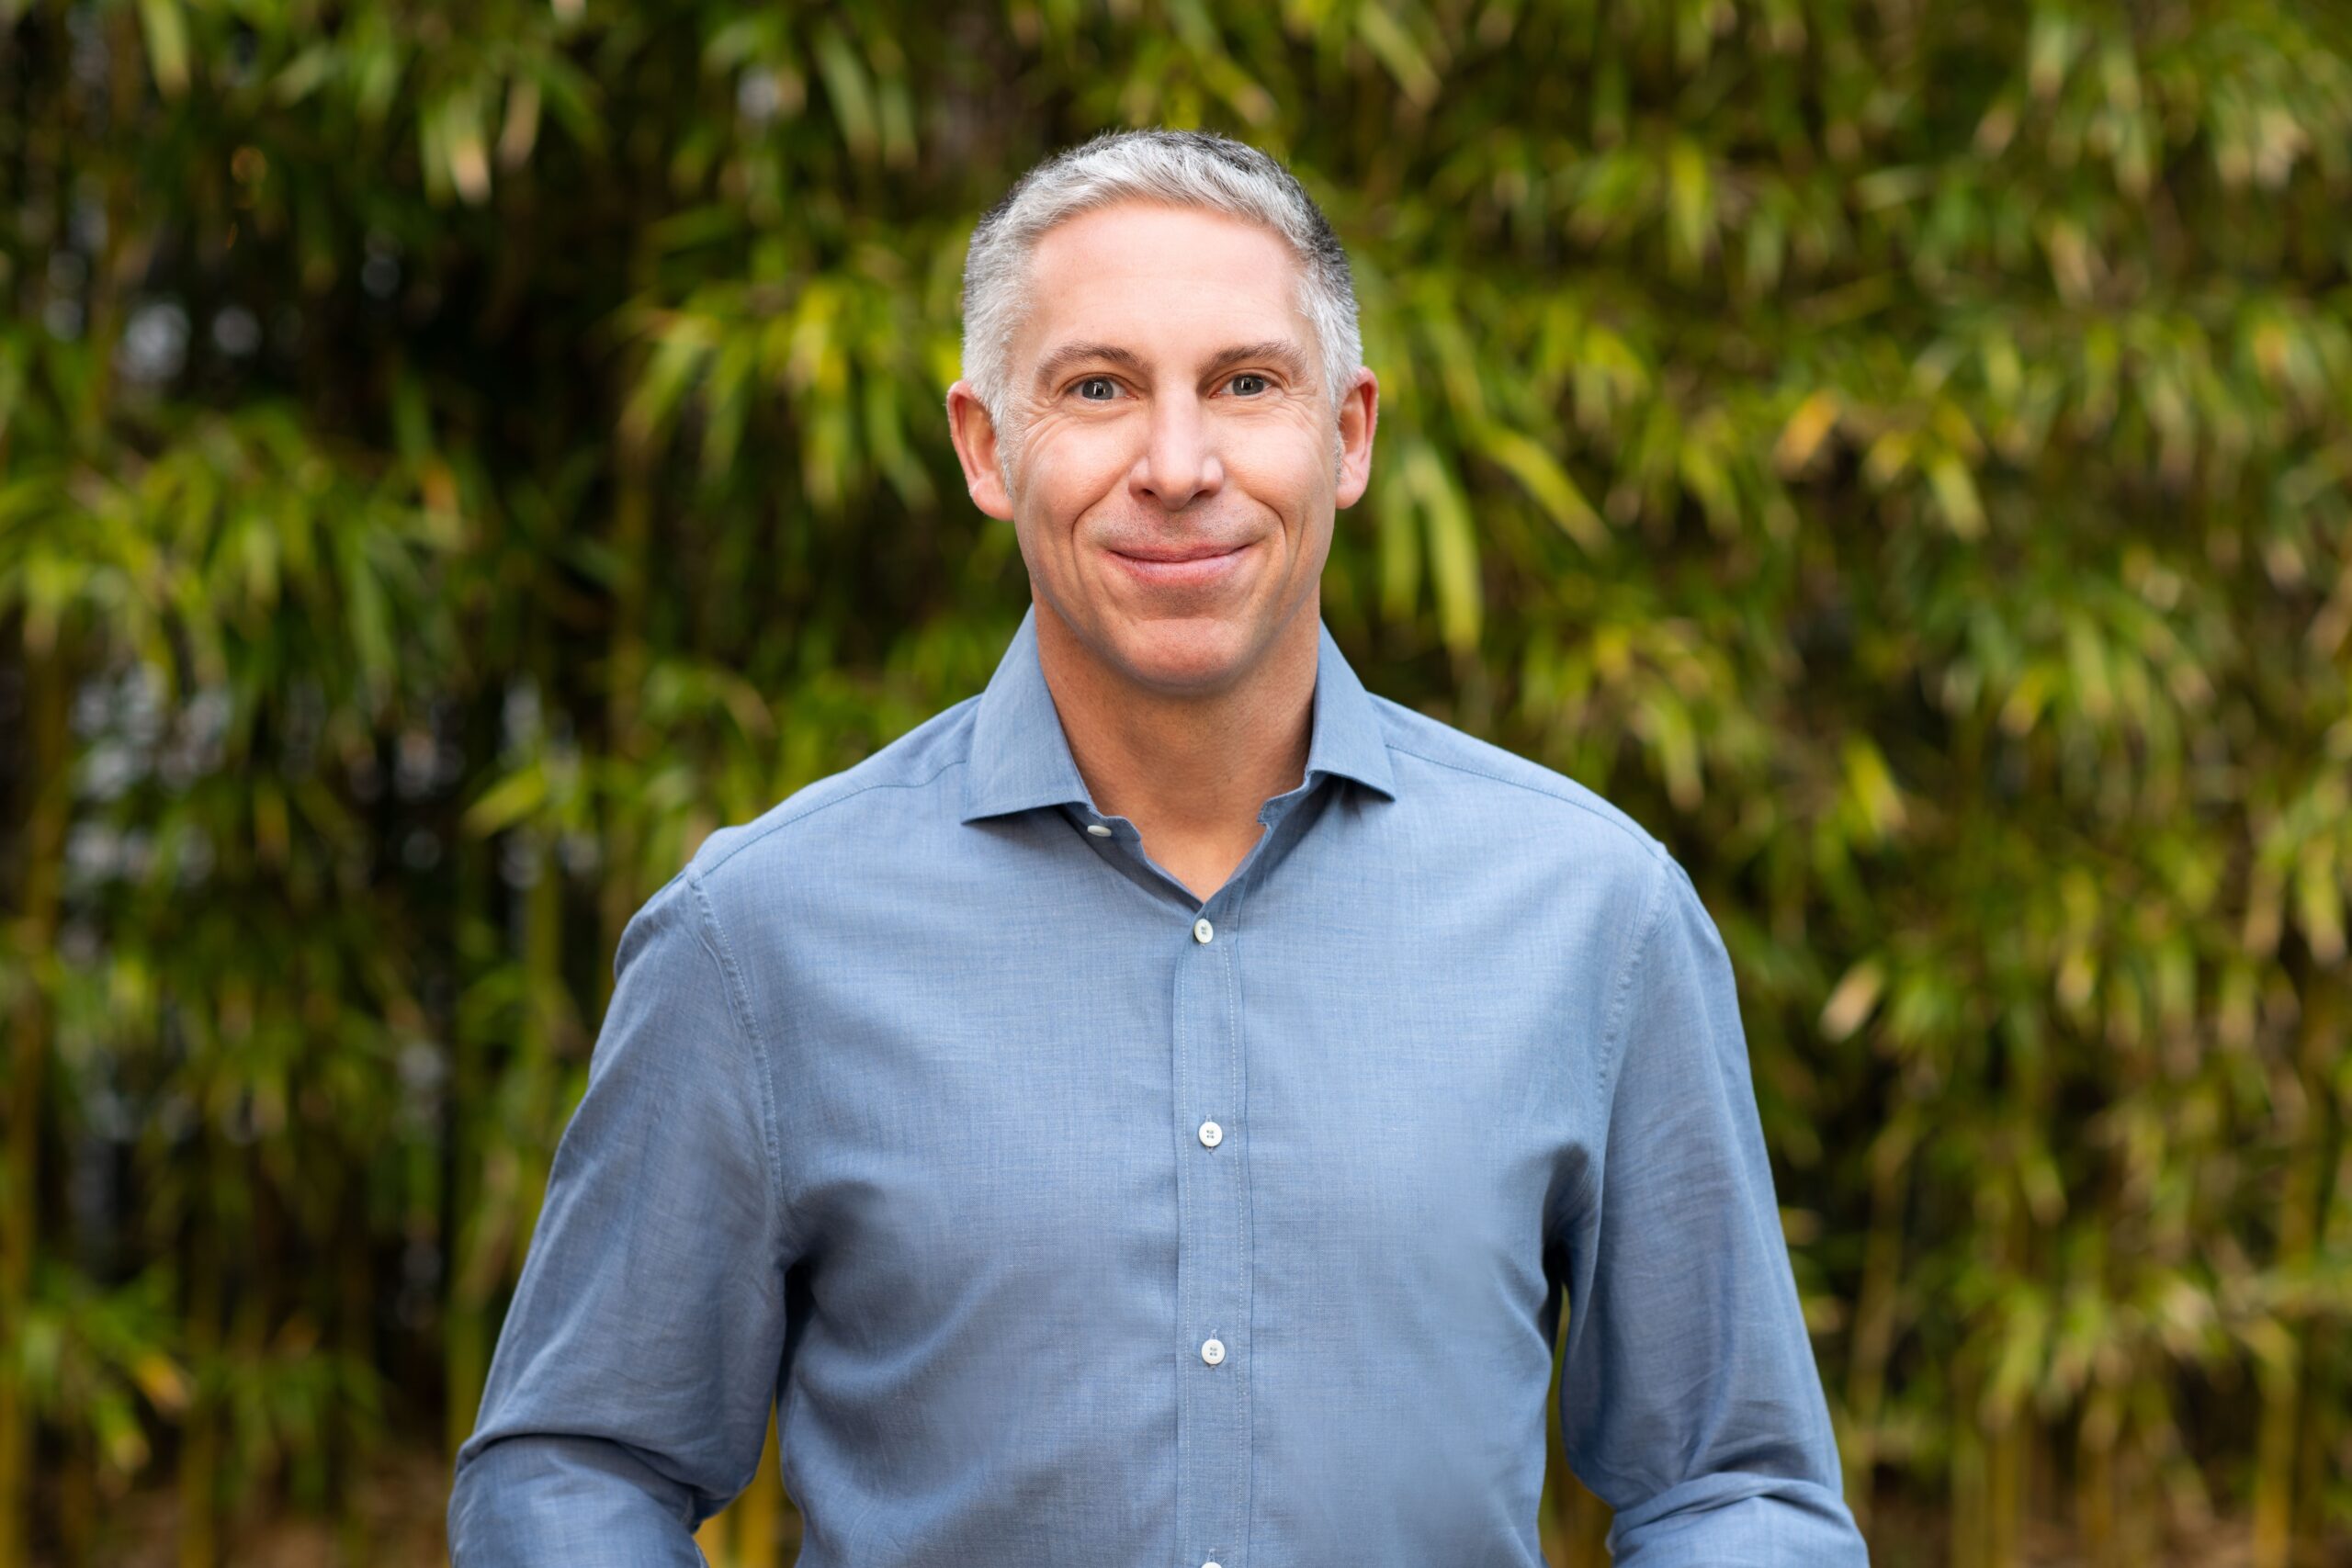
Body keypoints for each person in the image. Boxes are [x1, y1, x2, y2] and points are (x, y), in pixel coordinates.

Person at [447, 127, 1868, 1567]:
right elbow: (579, 1470)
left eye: (1246, 384)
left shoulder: (1594, 916)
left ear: (1349, 435)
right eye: (1098, 388)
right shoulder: (761, 935)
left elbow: (1731, 1489)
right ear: (987, 448)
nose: (1178, 466)